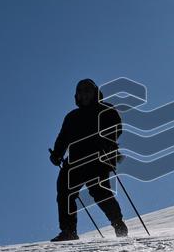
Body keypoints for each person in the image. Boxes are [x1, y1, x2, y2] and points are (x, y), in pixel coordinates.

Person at [49, 79, 128, 241]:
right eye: (80, 92)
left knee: (99, 192)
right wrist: (57, 154)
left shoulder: (106, 110)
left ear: (95, 93)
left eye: (87, 91)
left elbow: (117, 127)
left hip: (98, 157)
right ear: (76, 96)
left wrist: (107, 141)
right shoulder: (71, 117)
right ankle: (69, 230)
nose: (84, 95)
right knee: (65, 191)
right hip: (75, 160)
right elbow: (63, 138)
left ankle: (118, 223)